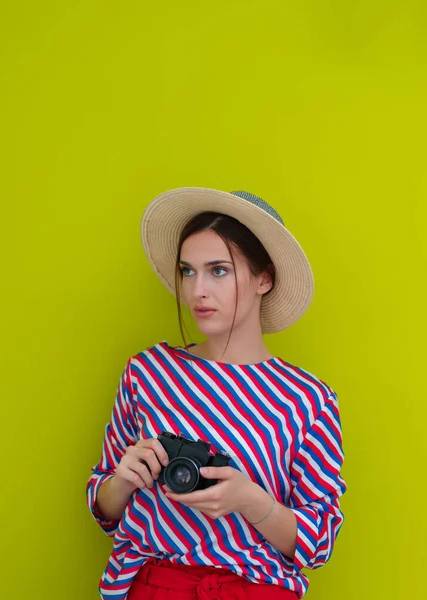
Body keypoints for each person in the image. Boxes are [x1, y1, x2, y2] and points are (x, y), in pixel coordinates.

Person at [86, 187, 347, 599]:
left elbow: (317, 544)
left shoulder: (308, 400)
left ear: (264, 278)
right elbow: (103, 510)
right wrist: (123, 481)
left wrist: (250, 500)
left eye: (219, 270)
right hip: (154, 586)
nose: (197, 291)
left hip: (257, 590)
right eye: (188, 271)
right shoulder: (148, 373)